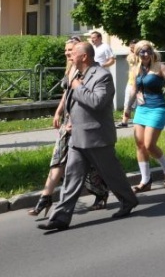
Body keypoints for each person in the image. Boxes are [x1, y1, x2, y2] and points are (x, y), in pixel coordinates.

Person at [38, 42, 139, 231]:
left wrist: (77, 87)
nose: (69, 56)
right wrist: (69, 119)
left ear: (84, 56)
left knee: (112, 174)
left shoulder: (102, 76)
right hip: (77, 135)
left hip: (96, 137)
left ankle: (129, 200)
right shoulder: (77, 75)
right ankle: (60, 217)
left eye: (73, 53)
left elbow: (97, 102)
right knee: (72, 177)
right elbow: (72, 102)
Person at [29, 37, 109, 217]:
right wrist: (58, 112)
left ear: (81, 53)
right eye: (66, 50)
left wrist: (73, 119)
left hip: (80, 122)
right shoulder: (71, 68)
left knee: (90, 162)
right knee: (59, 156)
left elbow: (83, 98)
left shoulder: (86, 71)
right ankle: (46, 197)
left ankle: (101, 191)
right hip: (68, 121)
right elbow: (67, 93)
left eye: (71, 50)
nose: (67, 53)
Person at [130, 41, 165, 192]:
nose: (145, 54)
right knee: (140, 145)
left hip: (157, 108)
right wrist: (127, 109)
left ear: (152, 52)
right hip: (141, 109)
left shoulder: (160, 67)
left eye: (148, 51)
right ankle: (145, 180)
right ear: (137, 54)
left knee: (149, 145)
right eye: (142, 52)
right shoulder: (136, 69)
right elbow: (134, 89)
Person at [117, 39, 140, 127]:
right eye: (130, 47)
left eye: (133, 48)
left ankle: (138, 121)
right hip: (131, 81)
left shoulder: (141, 56)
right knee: (127, 102)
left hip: (139, 82)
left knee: (139, 103)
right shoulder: (130, 55)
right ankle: (124, 121)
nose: (131, 49)